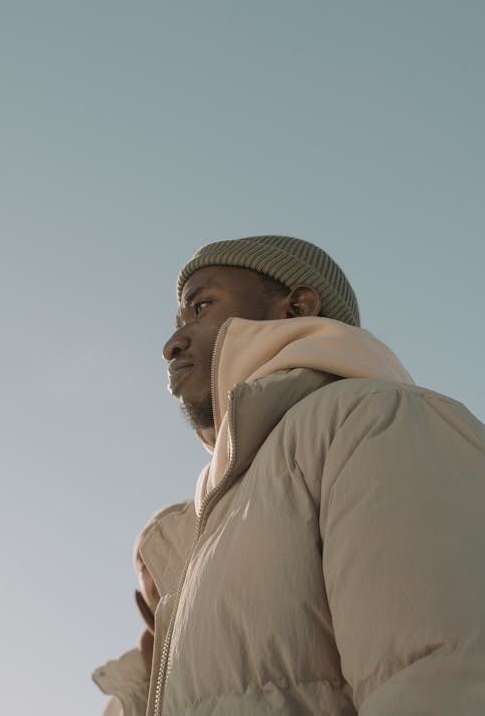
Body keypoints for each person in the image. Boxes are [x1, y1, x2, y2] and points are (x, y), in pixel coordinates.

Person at [93, 235, 485, 716]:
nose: (171, 344)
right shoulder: (218, 517)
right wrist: (151, 678)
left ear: (297, 306)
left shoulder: (376, 420)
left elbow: (441, 675)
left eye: (201, 306)